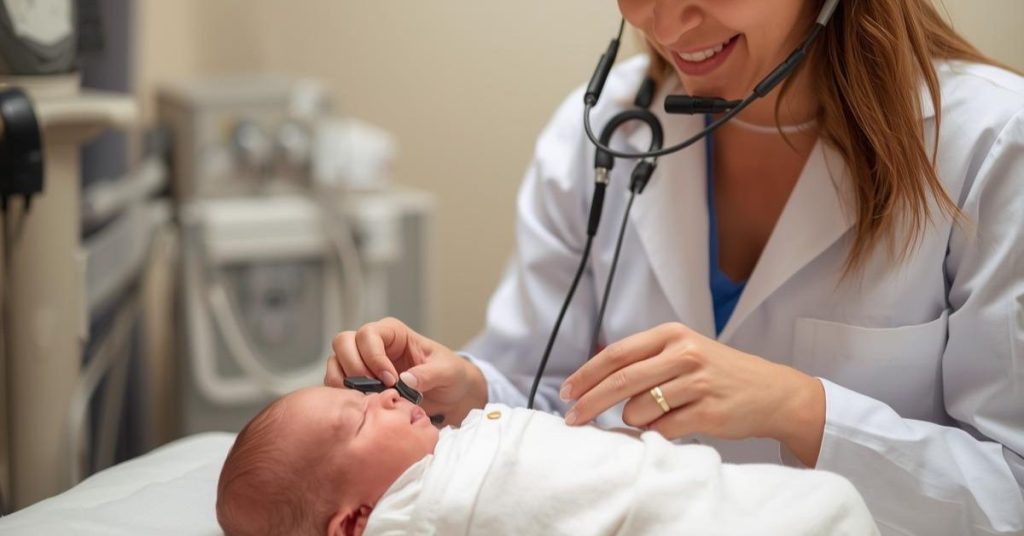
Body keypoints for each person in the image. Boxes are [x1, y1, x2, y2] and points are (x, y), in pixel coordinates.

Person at [325, 0, 1024, 533]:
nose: (662, 20)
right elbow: (549, 398)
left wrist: (801, 410)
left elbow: (1011, 493)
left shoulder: (992, 146)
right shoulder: (600, 132)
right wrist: (469, 390)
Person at [216, 386, 878, 536]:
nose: (385, 394)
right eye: (358, 418)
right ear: (354, 523)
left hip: (690, 486)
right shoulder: (413, 519)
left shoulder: (451, 448)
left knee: (827, 503)